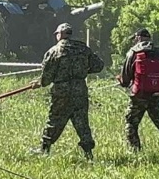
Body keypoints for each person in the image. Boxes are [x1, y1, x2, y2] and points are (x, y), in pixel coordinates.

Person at [30, 22, 104, 160]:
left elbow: (47, 77)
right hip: (80, 90)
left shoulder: (54, 51)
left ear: (59, 35)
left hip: (61, 92)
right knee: (82, 121)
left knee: (55, 119)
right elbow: (98, 66)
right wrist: (84, 71)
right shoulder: (83, 49)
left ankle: (44, 149)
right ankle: (88, 153)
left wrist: (39, 83)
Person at [117, 28, 159, 152]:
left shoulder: (133, 52)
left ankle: (134, 151)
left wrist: (124, 82)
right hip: (157, 95)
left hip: (139, 96)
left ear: (138, 38)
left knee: (131, 123)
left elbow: (125, 78)